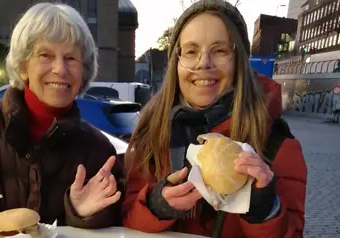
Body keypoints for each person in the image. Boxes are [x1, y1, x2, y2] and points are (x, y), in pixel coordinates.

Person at [0, 3, 124, 237]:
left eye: (71, 58)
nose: (60, 69)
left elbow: (116, 221)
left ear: (84, 71)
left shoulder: (98, 149)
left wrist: (81, 213)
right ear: (23, 65)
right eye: (45, 55)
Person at [122, 0, 307, 237]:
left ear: (238, 60)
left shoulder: (278, 145)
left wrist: (264, 209)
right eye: (190, 51)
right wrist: (156, 206)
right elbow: (125, 224)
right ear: (176, 64)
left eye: (219, 50)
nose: (203, 63)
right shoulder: (149, 133)